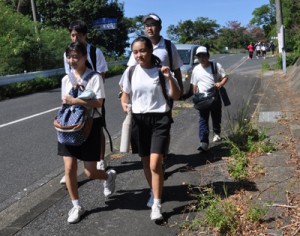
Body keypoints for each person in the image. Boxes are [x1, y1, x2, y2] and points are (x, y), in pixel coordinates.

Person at [120, 36, 180, 220]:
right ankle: (154, 192)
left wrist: (169, 78)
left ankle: (157, 204)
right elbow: (125, 94)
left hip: (160, 119)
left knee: (155, 162)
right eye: (135, 52)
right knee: (146, 162)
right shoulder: (130, 72)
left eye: (142, 51)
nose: (139, 55)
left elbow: (176, 95)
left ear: (150, 51)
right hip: (139, 120)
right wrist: (125, 104)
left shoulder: (162, 71)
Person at [59, 41, 116, 224]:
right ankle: (76, 206)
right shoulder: (65, 79)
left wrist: (75, 100)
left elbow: (99, 102)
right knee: (69, 168)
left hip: (90, 125)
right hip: (69, 126)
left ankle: (108, 176)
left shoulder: (94, 77)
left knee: (90, 173)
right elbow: (65, 103)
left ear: (84, 57)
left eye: (76, 56)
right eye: (69, 57)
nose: (72, 60)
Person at [61, 20, 108, 185]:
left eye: (78, 35)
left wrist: (91, 91)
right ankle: (71, 166)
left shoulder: (95, 52)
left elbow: (101, 74)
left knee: (97, 127)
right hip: (75, 97)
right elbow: (69, 75)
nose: (75, 38)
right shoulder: (68, 52)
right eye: (72, 35)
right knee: (75, 126)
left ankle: (100, 159)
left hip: (93, 94)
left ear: (84, 35)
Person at [191, 46, 229, 151]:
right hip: (202, 99)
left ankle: (217, 133)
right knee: (203, 119)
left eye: (204, 55)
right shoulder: (196, 69)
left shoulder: (216, 65)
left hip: (214, 96)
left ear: (208, 56)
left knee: (216, 116)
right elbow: (194, 85)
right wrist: (195, 96)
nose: (202, 58)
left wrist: (220, 83)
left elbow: (225, 77)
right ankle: (204, 142)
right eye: (199, 56)